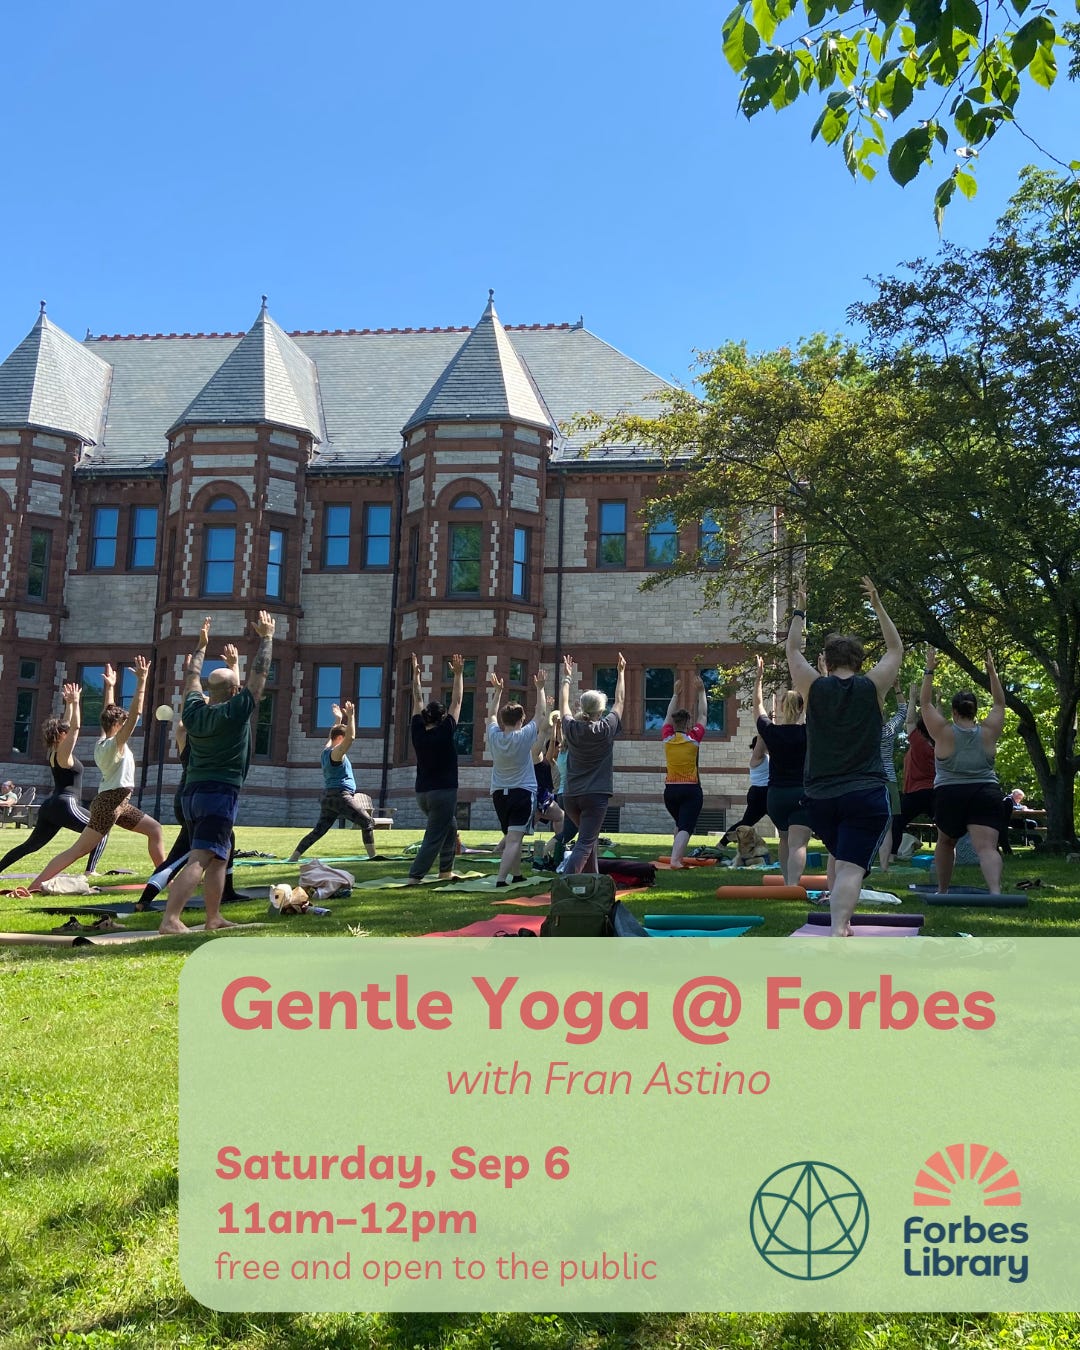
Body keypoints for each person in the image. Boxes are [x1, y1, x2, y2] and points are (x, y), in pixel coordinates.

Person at [786, 578, 904, 936]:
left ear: (827, 660)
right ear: (858, 660)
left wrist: (800, 610)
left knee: (842, 860)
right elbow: (895, 649)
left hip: (821, 799)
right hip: (864, 794)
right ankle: (839, 926)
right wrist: (878, 604)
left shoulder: (813, 686)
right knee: (851, 867)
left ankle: (843, 923)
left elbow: (792, 650)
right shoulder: (872, 686)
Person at [158, 613, 276, 934]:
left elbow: (192, 678)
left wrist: (200, 646)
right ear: (235, 690)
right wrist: (266, 637)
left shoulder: (195, 712)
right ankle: (170, 920)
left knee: (220, 858)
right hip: (219, 795)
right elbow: (260, 675)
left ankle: (214, 917)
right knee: (200, 858)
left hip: (193, 794)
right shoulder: (235, 714)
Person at [28, 657, 166, 892]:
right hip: (110, 803)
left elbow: (109, 714)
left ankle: (164, 878)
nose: (128, 725)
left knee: (155, 829)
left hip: (118, 802)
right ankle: (34, 886)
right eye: (125, 723)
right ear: (120, 726)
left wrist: (111, 687)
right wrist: (142, 681)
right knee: (78, 850)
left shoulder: (105, 740)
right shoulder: (115, 743)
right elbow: (133, 714)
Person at [133, 648, 242, 911]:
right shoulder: (208, 736)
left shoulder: (187, 734)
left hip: (187, 796)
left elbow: (186, 721)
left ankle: (227, 891)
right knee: (184, 855)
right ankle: (147, 900)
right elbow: (234, 703)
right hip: (201, 796)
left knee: (227, 842)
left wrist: (197, 691)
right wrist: (228, 675)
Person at [920, 647, 1007, 896]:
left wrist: (929, 669)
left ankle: (943, 890)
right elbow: (1000, 702)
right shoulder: (989, 731)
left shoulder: (944, 732)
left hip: (951, 795)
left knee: (946, 843)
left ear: (954, 711)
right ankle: (995, 892)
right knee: (987, 847)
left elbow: (925, 703)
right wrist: (992, 672)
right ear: (975, 710)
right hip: (985, 793)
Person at [0, 685, 109, 878]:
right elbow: (74, 727)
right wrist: (75, 703)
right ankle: (90, 871)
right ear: (61, 736)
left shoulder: (54, 751)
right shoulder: (63, 753)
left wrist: (69, 704)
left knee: (30, 845)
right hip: (66, 804)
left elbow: (67, 725)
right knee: (101, 828)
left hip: (51, 806)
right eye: (64, 732)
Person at [288, 700, 385, 864]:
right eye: (343, 738)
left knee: (318, 831)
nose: (346, 742)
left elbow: (332, 735)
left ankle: (293, 857)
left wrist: (339, 720)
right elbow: (351, 737)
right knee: (367, 821)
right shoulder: (336, 754)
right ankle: (372, 857)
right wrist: (351, 716)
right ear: (340, 738)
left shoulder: (326, 751)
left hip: (328, 798)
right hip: (341, 796)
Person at [557, 652, 626, 874]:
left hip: (570, 796)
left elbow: (563, 704)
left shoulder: (572, 728)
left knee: (590, 840)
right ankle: (566, 882)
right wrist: (621, 673)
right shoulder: (606, 728)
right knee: (585, 842)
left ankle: (591, 880)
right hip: (595, 795)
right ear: (601, 710)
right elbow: (621, 701)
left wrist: (567, 678)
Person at [753, 655, 812, 886]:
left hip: (775, 796)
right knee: (798, 843)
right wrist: (823, 677)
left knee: (785, 840)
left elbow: (757, 706)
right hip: (801, 794)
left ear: (779, 707)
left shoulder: (771, 731)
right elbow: (823, 710)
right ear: (801, 708)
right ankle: (792, 886)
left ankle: (787, 884)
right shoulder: (807, 732)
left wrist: (758, 678)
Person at [484, 668, 547, 885]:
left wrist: (497, 692)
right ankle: (501, 879)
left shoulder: (494, 736)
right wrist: (540, 688)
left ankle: (517, 874)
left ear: (503, 720)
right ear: (521, 719)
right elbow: (541, 715)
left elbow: (491, 714)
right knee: (514, 839)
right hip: (522, 793)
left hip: (499, 795)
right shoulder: (524, 735)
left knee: (514, 837)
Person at [407, 653, 464, 885]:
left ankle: (445, 871)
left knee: (450, 827)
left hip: (423, 794)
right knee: (434, 837)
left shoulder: (417, 730)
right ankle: (415, 876)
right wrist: (459, 674)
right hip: (443, 793)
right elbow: (458, 701)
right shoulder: (445, 731)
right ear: (442, 719)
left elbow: (417, 700)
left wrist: (416, 676)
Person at [660, 675, 708, 867]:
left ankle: (676, 855)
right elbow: (703, 715)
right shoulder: (693, 738)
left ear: (673, 724)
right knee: (686, 827)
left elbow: (666, 716)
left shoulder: (667, 738)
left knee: (680, 824)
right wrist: (702, 691)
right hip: (690, 790)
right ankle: (675, 860)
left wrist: (675, 695)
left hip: (670, 791)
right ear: (688, 724)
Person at [889, 682, 936, 859]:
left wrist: (912, 698)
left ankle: (892, 855)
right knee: (945, 825)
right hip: (934, 792)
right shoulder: (940, 745)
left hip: (916, 792)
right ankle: (952, 853)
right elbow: (937, 722)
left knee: (897, 822)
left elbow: (909, 720)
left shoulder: (919, 743)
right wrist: (936, 703)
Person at [876, 681, 908, 872]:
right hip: (888, 781)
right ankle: (884, 866)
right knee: (887, 827)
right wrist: (897, 688)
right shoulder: (888, 730)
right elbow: (903, 711)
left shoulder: (862, 732)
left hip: (868, 781)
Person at [720, 735, 770, 845]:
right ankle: (723, 842)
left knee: (747, 823)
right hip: (760, 794)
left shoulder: (766, 756)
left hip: (764, 793)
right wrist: (764, 723)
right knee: (746, 823)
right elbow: (762, 736)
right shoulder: (758, 757)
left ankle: (723, 842)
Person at [531, 714, 565, 843]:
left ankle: (560, 841)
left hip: (554, 794)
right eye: (558, 748)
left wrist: (559, 727)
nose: (560, 749)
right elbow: (552, 744)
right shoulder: (549, 761)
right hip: (548, 795)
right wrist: (554, 726)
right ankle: (559, 842)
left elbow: (560, 742)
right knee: (559, 817)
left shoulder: (559, 760)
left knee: (529, 822)